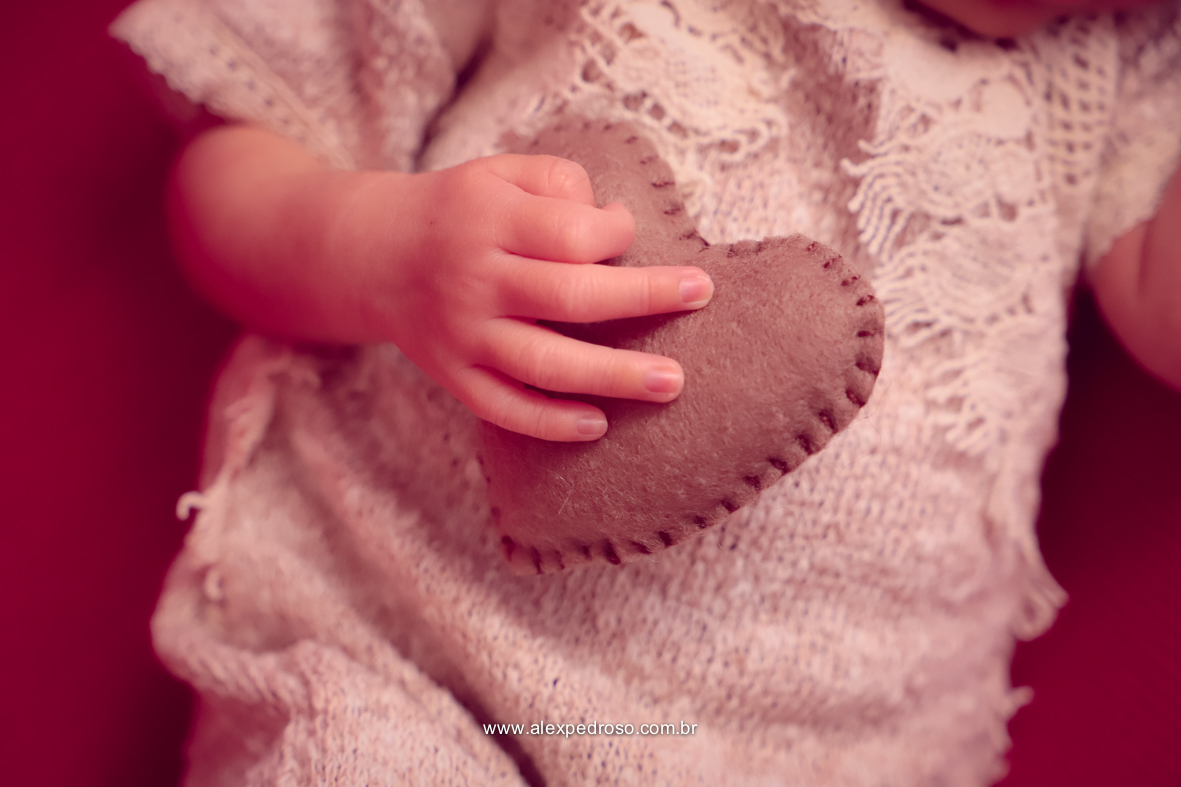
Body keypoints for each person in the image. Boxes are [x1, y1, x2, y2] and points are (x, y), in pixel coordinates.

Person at [111, 0, 1180, 783]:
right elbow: (239, 154)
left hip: (821, 751)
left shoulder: (1120, 57)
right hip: (397, 653)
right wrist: (386, 256)